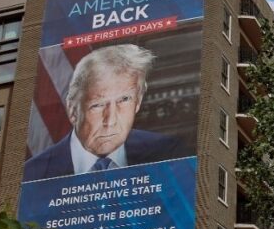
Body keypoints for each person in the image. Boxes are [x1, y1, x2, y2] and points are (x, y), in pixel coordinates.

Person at [24, 44, 183, 181]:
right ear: (73, 110)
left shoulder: (168, 153)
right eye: (98, 105)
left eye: (124, 100)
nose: (111, 120)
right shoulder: (32, 174)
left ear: (138, 102)